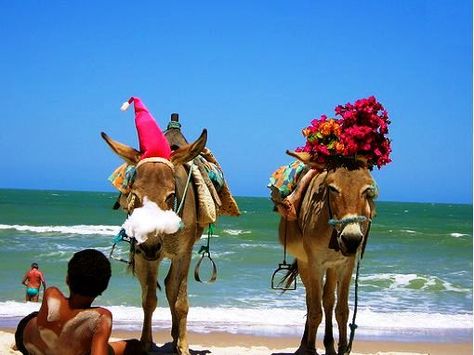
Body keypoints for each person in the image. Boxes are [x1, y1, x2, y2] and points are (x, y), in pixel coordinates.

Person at [15, 249, 145, 355]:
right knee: (134, 347)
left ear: (67, 279)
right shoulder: (101, 318)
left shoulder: (51, 294)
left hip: (27, 342)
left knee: (41, 317)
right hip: (66, 348)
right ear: (103, 288)